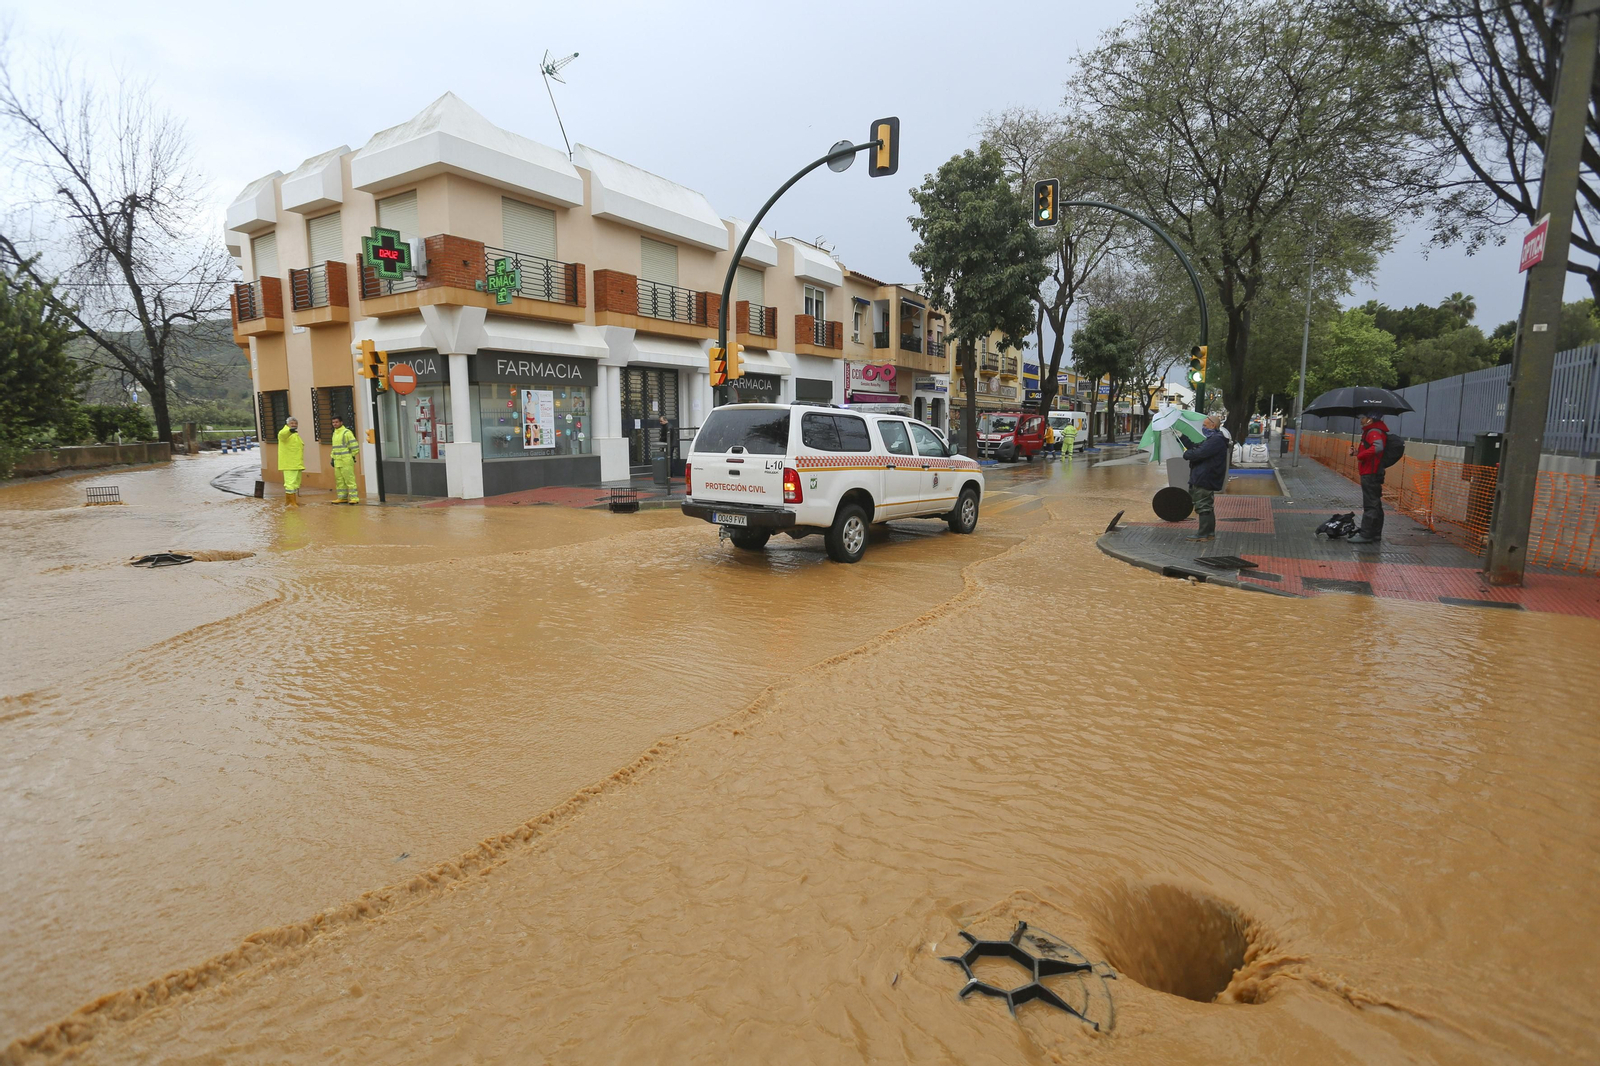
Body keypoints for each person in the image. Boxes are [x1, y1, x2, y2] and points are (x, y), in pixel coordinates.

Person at [1181, 414, 1230, 541]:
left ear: (1213, 425)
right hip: (1204, 476)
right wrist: (1182, 437)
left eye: (1204, 425)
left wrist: (1186, 454)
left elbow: (1199, 453)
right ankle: (1209, 533)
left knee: (1203, 505)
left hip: (1205, 477)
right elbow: (1197, 447)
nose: (1203, 427)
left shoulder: (1216, 440)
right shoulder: (1211, 439)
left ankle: (1202, 534)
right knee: (1206, 505)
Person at [1349, 413, 1389, 543]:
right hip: (1373, 471)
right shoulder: (1375, 430)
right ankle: (1375, 533)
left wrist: (1361, 456)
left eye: (1363, 417)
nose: (1361, 420)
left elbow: (1378, 447)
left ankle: (1366, 535)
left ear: (1370, 419)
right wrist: (1357, 452)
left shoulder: (1373, 432)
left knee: (1370, 504)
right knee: (1375, 503)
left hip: (1370, 472)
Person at [329, 415, 360, 505]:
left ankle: (354, 498)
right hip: (337, 460)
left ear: (341, 422)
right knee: (339, 480)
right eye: (333, 422)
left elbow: (354, 447)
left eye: (336, 422)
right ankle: (342, 497)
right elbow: (334, 448)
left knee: (349, 479)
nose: (334, 424)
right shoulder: (335, 433)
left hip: (346, 460)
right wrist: (332, 458)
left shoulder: (347, 432)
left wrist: (351, 456)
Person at [277, 416, 305, 506]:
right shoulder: (285, 432)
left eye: (295, 423)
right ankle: (291, 502)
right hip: (289, 464)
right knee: (290, 484)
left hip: (296, 464)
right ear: (287, 424)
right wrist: (289, 431)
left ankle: (291, 502)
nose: (294, 425)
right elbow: (282, 435)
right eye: (292, 423)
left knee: (295, 483)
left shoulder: (295, 435)